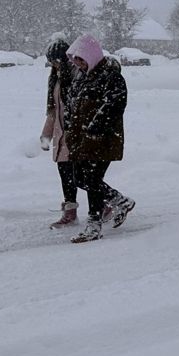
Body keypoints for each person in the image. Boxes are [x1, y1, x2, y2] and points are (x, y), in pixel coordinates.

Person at [64, 34, 136, 243]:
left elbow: (114, 106)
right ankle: (120, 201)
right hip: (81, 139)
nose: (77, 63)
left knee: (93, 180)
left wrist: (94, 129)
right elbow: (72, 105)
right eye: (75, 59)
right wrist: (70, 129)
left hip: (103, 140)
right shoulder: (81, 77)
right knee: (79, 178)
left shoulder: (110, 76)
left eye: (81, 58)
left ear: (91, 55)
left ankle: (94, 225)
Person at [39, 36, 79, 229]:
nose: (52, 65)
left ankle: (107, 201)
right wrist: (46, 135)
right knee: (66, 175)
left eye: (55, 60)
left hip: (75, 135)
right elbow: (53, 111)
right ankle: (70, 212)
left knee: (83, 176)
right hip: (61, 136)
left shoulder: (76, 76)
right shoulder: (55, 79)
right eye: (50, 61)